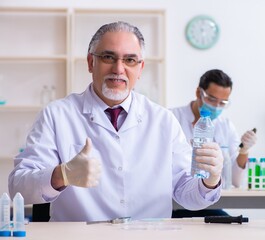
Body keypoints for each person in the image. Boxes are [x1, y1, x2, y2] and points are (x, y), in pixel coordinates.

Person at [9, 22, 224, 222]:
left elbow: (187, 195)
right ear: (91, 62)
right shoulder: (57, 115)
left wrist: (209, 181)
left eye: (130, 60)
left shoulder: (163, 120)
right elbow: (18, 186)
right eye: (108, 57)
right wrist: (61, 175)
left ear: (140, 69)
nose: (119, 69)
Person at [171, 69, 257, 218]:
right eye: (211, 99)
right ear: (199, 93)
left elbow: (235, 181)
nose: (216, 107)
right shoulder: (171, 118)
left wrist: (244, 151)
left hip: (210, 201)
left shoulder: (225, 125)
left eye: (222, 102)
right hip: (176, 204)